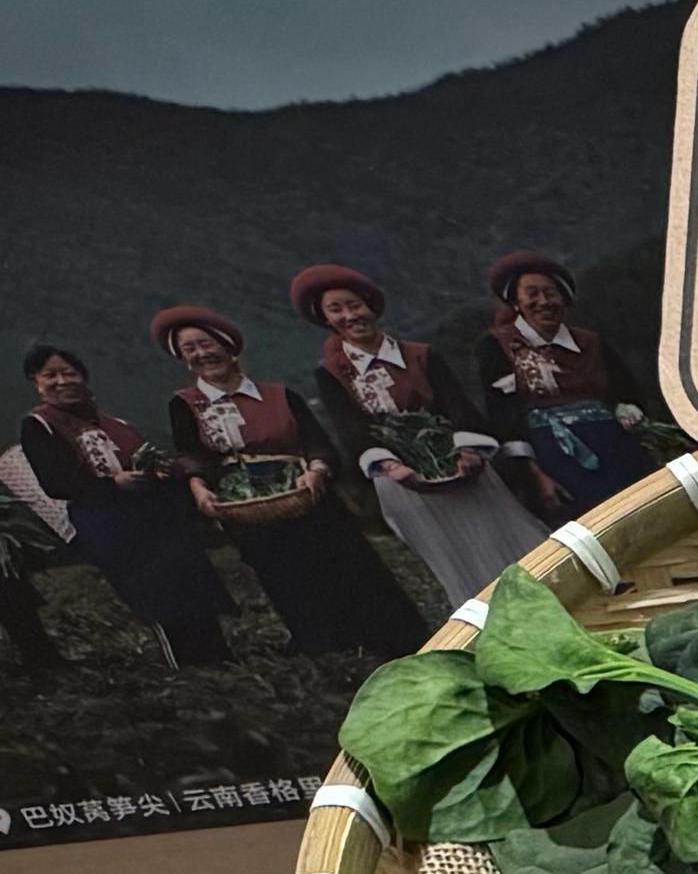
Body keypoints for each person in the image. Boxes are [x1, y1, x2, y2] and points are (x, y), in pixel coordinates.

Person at [145, 300, 415, 659]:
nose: (201, 354)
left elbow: (317, 442)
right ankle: (326, 647)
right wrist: (198, 486)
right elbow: (190, 453)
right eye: (189, 349)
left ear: (228, 347)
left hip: (305, 496)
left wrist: (316, 470)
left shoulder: (280, 395)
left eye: (206, 344)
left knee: (347, 568)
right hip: (248, 507)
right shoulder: (186, 404)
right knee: (286, 579)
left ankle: (388, 640)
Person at [294, 258, 527, 608]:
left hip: (458, 463)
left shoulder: (420, 355)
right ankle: (482, 614)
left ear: (371, 306)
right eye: (336, 310)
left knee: (499, 534)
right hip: (400, 478)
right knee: (447, 552)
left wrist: (467, 450)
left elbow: (456, 403)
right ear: (326, 319)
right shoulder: (332, 373)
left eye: (354, 305)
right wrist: (390, 465)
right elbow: (349, 426)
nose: (350, 316)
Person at [8, 343, 237, 669]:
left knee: (190, 585)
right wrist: (112, 483)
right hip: (109, 525)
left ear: (83, 378)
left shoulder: (115, 423)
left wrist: (162, 473)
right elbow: (56, 482)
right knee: (157, 595)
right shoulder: (39, 425)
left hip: (154, 518)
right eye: (51, 375)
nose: (62, 381)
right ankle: (190, 665)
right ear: (36, 382)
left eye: (69, 373)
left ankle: (221, 657)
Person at [480, 249, 665, 520]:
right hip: (553, 459)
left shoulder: (590, 342)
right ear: (516, 303)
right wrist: (535, 476)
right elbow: (504, 416)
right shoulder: (498, 346)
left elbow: (628, 392)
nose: (544, 302)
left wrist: (631, 416)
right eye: (532, 294)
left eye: (551, 293)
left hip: (615, 448)